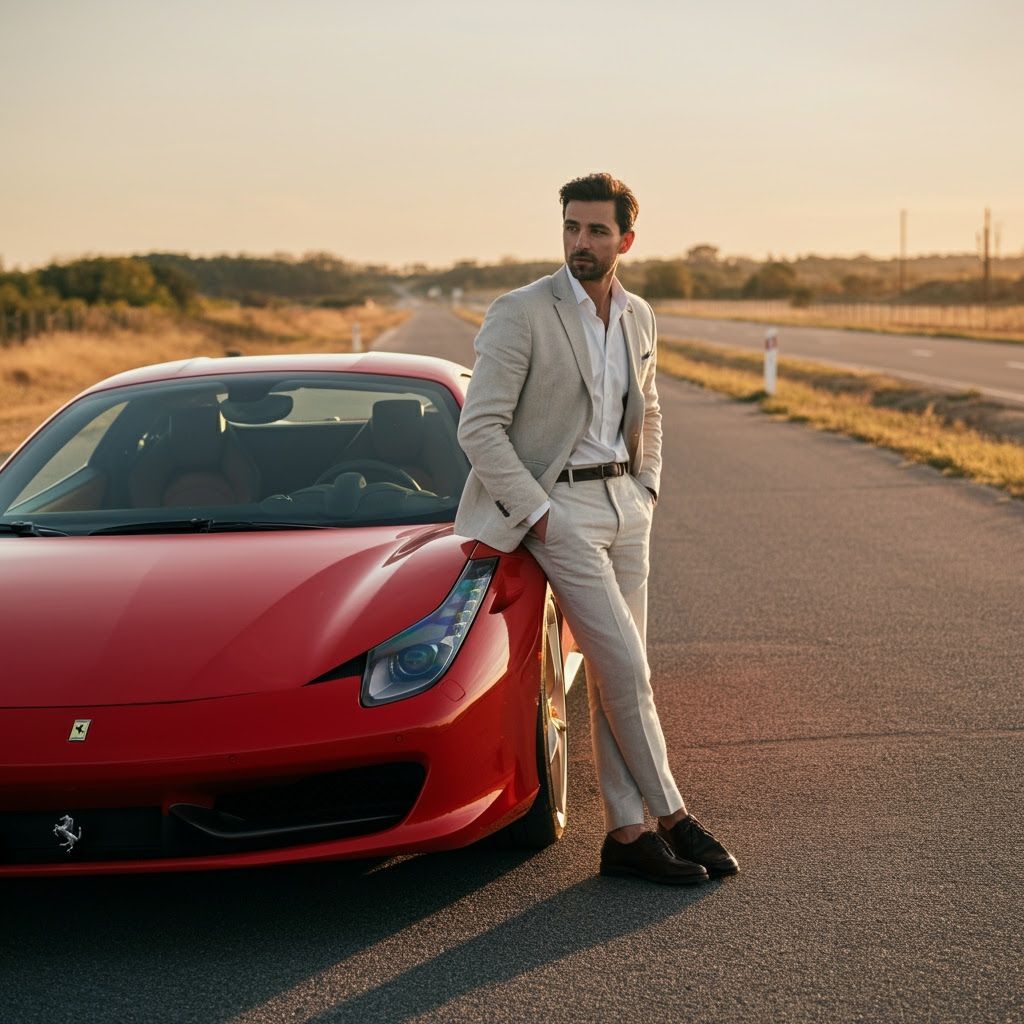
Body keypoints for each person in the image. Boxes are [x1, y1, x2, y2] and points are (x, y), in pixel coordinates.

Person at [455, 172, 739, 884]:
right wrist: (542, 517)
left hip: (625, 507)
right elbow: (479, 428)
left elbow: (650, 408)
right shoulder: (520, 312)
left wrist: (647, 489)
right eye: (572, 228)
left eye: (597, 231)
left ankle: (626, 833)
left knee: (619, 674)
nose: (581, 243)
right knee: (627, 668)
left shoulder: (639, 316)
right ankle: (676, 817)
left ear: (627, 240)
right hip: (560, 511)